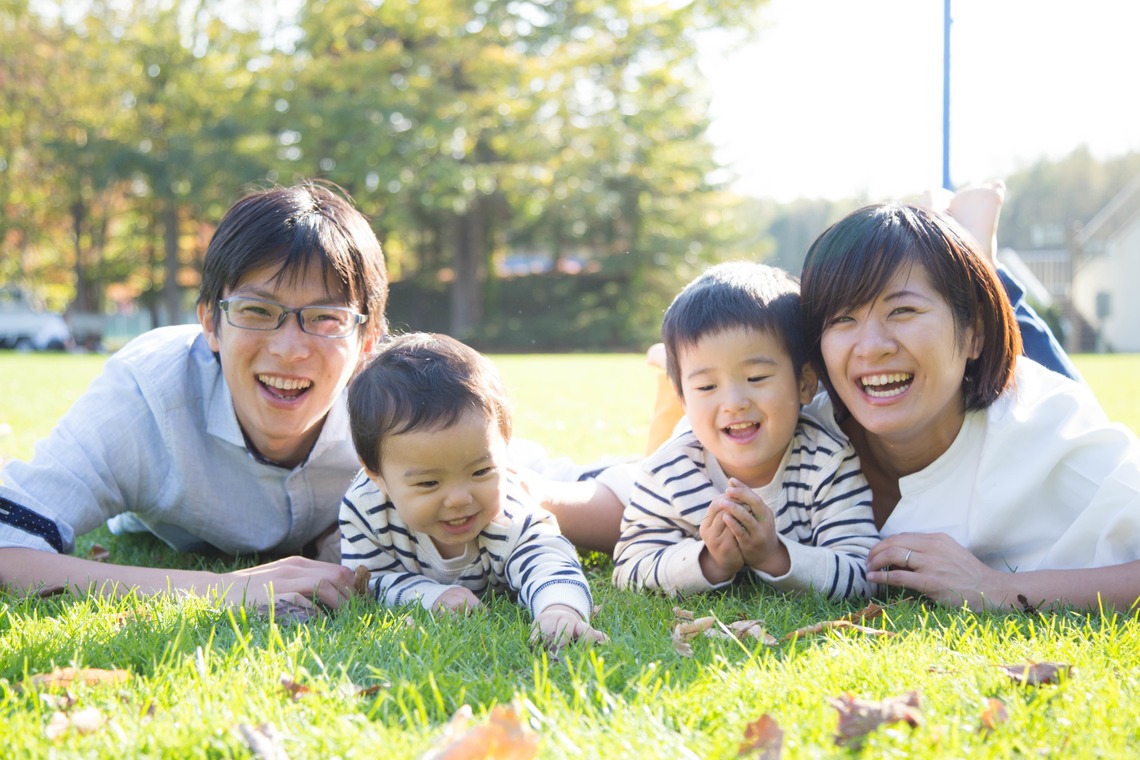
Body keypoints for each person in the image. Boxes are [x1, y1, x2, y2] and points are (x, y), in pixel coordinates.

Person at [0, 181, 383, 609]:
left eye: (325, 317)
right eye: (257, 310)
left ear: (368, 341)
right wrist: (220, 588)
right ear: (209, 323)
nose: (288, 350)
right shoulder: (148, 392)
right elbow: (6, 545)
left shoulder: (399, 408)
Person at [798, 202, 1140, 611]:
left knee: (1032, 353)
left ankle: (982, 254)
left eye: (903, 310)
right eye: (841, 319)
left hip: (1005, 394)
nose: (871, 347)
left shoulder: (1048, 430)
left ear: (973, 332)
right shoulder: (795, 428)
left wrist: (991, 587)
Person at [612, 263, 878, 599]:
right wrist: (710, 562)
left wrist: (774, 556)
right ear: (682, 398)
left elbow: (862, 573)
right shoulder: (670, 471)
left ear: (805, 384)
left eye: (756, 378)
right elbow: (629, 568)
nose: (734, 403)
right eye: (707, 386)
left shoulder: (826, 463)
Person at [339, 333, 607, 646]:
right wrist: (430, 596)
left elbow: (548, 558)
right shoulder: (366, 508)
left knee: (589, 479)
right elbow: (371, 580)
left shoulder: (508, 511)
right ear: (376, 474)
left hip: (548, 480)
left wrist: (558, 608)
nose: (460, 499)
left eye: (481, 471)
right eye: (429, 483)